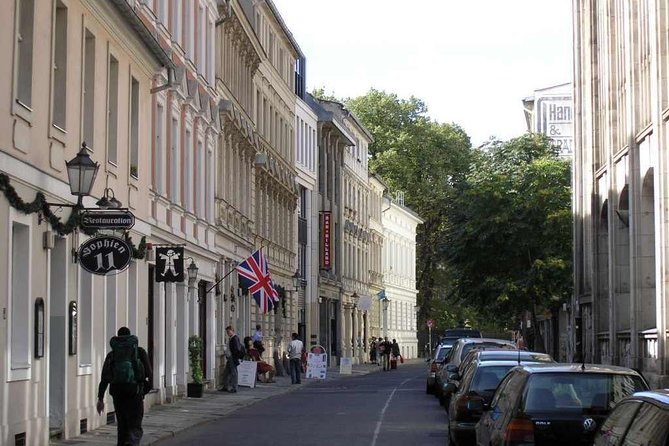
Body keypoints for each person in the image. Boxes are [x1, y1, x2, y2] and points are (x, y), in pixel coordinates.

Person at [96, 327, 152, 446]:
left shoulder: (112, 355)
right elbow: (148, 373)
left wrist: (100, 398)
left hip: (117, 392)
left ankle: (123, 442)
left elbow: (105, 377)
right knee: (135, 424)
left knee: (122, 425)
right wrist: (142, 392)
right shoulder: (139, 352)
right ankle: (131, 442)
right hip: (134, 392)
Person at [220, 326, 243, 393]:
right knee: (226, 372)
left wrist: (233, 356)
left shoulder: (235, 338)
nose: (227, 333)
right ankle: (225, 386)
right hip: (230, 357)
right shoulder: (231, 338)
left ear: (232, 331)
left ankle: (234, 387)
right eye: (227, 332)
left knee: (234, 372)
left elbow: (237, 349)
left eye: (228, 332)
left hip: (232, 358)